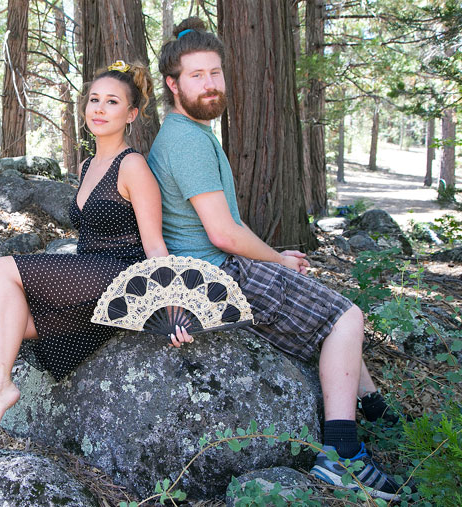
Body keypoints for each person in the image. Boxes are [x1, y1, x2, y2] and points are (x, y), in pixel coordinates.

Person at [147, 17, 408, 501]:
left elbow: (231, 224)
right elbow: (224, 235)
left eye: (215, 73)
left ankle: (376, 411)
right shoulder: (185, 140)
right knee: (346, 317)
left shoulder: (192, 132)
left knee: (325, 306)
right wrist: (279, 264)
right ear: (172, 83)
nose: (209, 84)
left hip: (216, 267)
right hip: (216, 278)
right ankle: (343, 456)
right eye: (197, 75)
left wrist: (274, 255)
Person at [0, 61, 192, 494]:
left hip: (119, 278)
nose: (99, 109)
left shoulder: (133, 164)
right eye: (94, 100)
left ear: (132, 114)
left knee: (3, 268)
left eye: (112, 102)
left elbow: (154, 246)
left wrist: (174, 307)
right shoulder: (86, 165)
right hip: (87, 283)